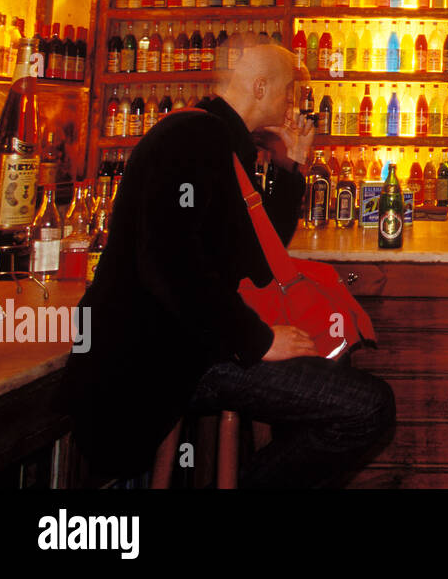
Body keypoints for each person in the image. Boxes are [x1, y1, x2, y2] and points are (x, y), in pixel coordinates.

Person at [61, 43, 394, 487]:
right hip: (158, 361)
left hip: (190, 346)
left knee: (332, 369)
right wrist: (256, 340)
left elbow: (255, 255)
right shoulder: (191, 140)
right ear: (260, 87)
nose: (292, 105)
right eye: (288, 92)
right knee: (367, 408)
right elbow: (169, 263)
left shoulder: (221, 142)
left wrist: (292, 166)